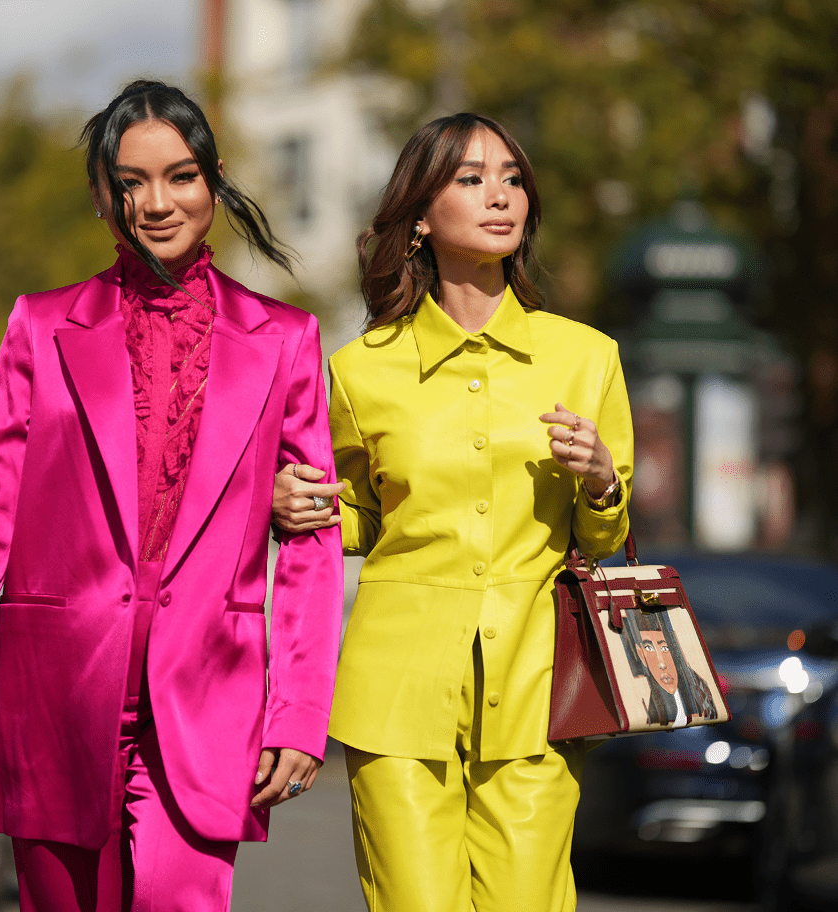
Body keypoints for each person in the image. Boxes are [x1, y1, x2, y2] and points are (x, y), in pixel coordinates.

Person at [0, 80, 343, 912]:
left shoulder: (287, 341)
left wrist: (300, 713)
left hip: (205, 704)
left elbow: (313, 542)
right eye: (130, 183)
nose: (157, 203)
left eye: (179, 176)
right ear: (103, 196)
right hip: (55, 699)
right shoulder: (40, 326)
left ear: (214, 179)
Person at [274, 113, 634, 912]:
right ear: (419, 217)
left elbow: (605, 537)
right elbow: (360, 518)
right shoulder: (360, 371)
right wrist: (296, 506)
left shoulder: (587, 357)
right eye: (470, 179)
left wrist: (603, 482)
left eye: (511, 178)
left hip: (540, 693)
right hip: (396, 690)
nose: (500, 195)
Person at [622, 610, 717, 726]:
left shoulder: (701, 691)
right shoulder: (642, 705)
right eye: (649, 648)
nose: (662, 664)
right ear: (641, 654)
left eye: (665, 648)